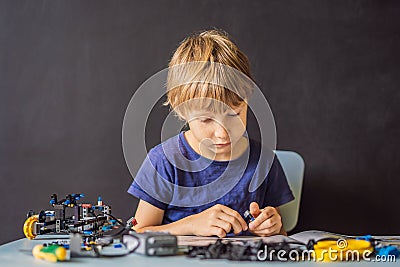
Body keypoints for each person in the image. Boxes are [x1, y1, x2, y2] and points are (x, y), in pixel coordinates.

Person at [128, 29, 294, 237]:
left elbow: (281, 237)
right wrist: (190, 226)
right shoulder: (163, 161)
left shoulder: (264, 161)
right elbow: (138, 234)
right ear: (181, 111)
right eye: (206, 119)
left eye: (234, 114)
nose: (222, 134)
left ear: (248, 100)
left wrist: (273, 227)